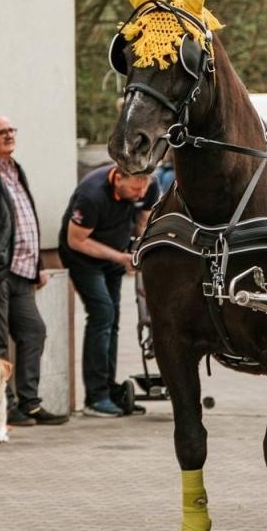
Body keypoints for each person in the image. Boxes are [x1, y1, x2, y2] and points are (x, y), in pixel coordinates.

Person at [0, 115, 66, 426]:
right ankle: (5, 405)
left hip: (22, 271)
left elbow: (24, 220)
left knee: (34, 331)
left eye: (11, 130)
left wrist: (38, 265)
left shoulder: (15, 170)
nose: (8, 135)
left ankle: (29, 403)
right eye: (0, 132)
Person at [61, 164, 156, 417]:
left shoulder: (147, 186)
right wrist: (121, 257)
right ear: (118, 180)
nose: (140, 194)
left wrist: (141, 249)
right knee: (102, 314)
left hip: (116, 254)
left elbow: (143, 220)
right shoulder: (91, 195)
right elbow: (76, 240)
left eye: (144, 188)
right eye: (135, 189)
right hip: (83, 257)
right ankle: (95, 396)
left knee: (112, 321)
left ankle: (110, 390)